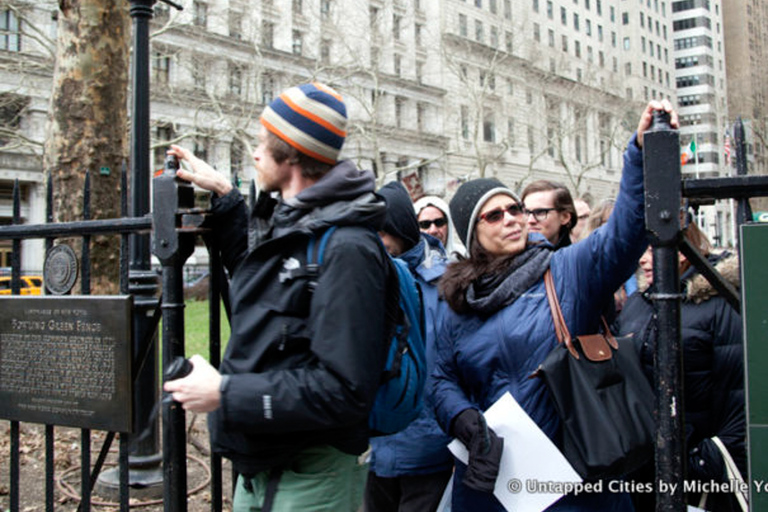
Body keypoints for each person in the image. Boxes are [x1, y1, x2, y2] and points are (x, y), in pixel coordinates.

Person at [430, 100, 678, 511]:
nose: (512, 218)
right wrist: (462, 419)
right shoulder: (457, 297)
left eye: (515, 208)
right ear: (473, 234)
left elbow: (625, 234)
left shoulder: (565, 270)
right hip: (493, 479)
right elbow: (439, 378)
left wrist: (639, 153)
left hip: (575, 475)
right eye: (494, 215)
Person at [163, 82, 395, 512]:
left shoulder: (348, 247)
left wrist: (225, 393)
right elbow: (262, 282)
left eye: (261, 144)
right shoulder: (295, 224)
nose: (253, 153)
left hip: (312, 475)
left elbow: (345, 390)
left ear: (289, 154)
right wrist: (227, 197)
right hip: (261, 468)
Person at [614, 221, 745, 512]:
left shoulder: (720, 302)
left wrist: (702, 459)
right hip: (648, 466)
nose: (643, 259)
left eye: (649, 249)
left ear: (682, 248)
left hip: (698, 472)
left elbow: (739, 392)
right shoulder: (639, 302)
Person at [365, 181, 453, 512]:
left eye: (379, 230)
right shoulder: (369, 273)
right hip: (374, 447)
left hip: (427, 448)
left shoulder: (445, 285)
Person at [521, 180, 577, 249]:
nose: (530, 220)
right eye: (526, 212)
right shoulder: (508, 255)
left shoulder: (574, 258)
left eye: (540, 212)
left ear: (565, 217)